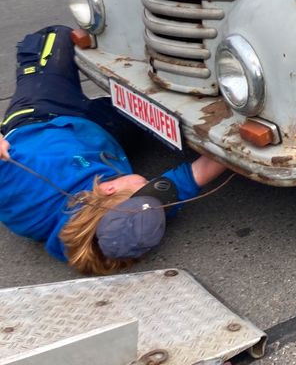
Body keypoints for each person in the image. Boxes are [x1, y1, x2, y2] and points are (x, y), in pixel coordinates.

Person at [0, 25, 227, 274]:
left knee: (56, 37)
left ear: (109, 189)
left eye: (145, 187)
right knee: (165, 104)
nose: (153, 183)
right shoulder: (135, 220)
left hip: (40, 116)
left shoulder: (21, 184)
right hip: (104, 134)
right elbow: (200, 171)